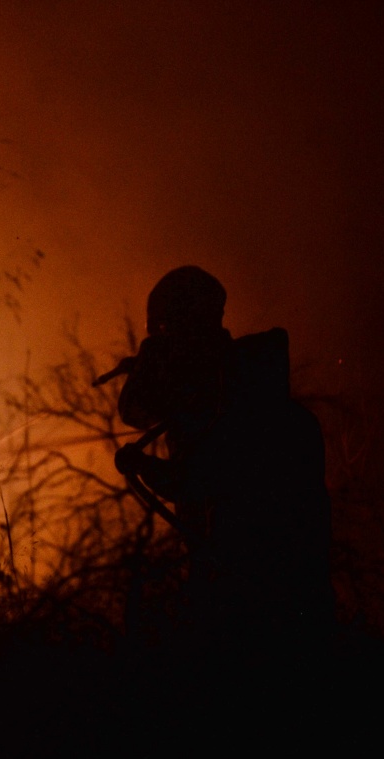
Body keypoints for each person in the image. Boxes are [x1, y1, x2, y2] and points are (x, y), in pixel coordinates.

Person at [108, 266, 333, 650]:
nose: (165, 346)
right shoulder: (250, 389)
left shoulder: (231, 400)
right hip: (291, 599)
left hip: (248, 604)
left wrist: (142, 464)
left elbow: (197, 478)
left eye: (165, 334)